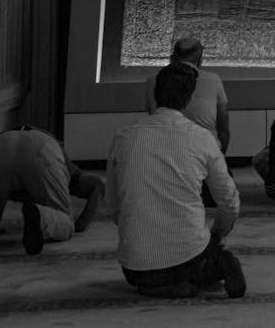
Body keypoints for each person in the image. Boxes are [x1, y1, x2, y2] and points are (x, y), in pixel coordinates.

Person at [105, 62, 245, 300]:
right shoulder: (201, 138)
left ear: (155, 95)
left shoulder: (123, 138)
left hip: (135, 267)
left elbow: (114, 206)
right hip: (189, 259)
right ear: (189, 100)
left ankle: (156, 285)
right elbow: (229, 201)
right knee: (220, 258)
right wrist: (217, 234)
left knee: (157, 265)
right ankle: (196, 275)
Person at [0, 126, 74, 254]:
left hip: (0, 145)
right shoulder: (70, 166)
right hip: (42, 149)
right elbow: (96, 185)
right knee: (65, 221)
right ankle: (41, 216)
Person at [146, 36, 229, 153]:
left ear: (172, 58)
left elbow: (154, 115)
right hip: (205, 150)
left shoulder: (152, 80)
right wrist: (221, 160)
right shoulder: (213, 80)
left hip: (164, 150)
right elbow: (223, 128)